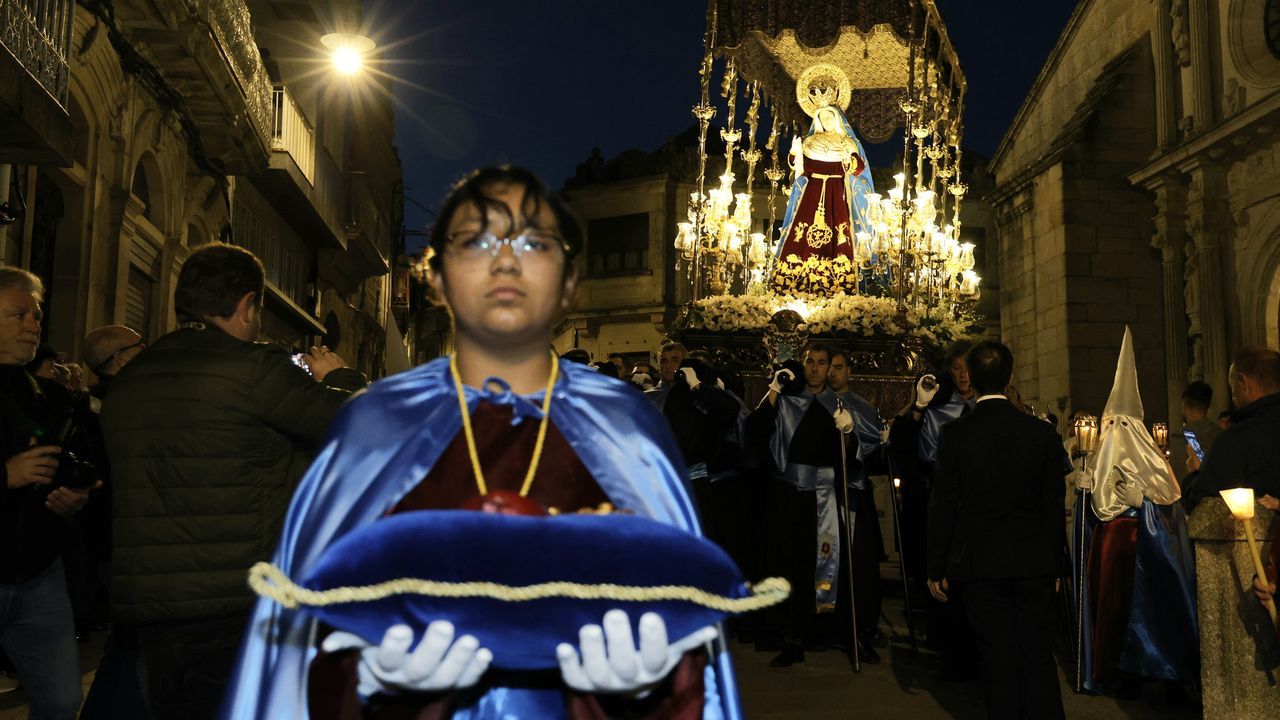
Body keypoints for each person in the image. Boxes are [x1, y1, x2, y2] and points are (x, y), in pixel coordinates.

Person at [222, 165, 742, 719]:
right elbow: (301, 644)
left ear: (568, 280)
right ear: (438, 277)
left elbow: (687, 644)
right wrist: (368, 676)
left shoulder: (626, 424)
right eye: (475, 241)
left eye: (535, 242)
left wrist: (648, 686)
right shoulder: (376, 422)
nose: (505, 258)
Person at [96, 243, 367, 720]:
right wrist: (340, 377)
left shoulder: (131, 379)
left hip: (152, 611)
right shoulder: (253, 369)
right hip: (234, 605)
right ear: (246, 305)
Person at [928, 341, 1068, 720]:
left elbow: (943, 504)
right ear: (1011, 377)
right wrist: (1057, 564)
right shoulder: (1040, 434)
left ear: (970, 377)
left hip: (981, 563)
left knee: (998, 660)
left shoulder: (956, 435)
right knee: (1038, 657)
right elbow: (1052, 506)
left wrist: (936, 566)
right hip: (1034, 561)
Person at [1072, 327, 1197, 695]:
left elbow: (1173, 507)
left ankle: (1155, 671)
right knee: (1112, 610)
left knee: (1147, 611)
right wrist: (1083, 492)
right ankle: (1114, 670)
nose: (1116, 432)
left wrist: (1146, 504)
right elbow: (1092, 512)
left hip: (1142, 548)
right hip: (1109, 546)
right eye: (1112, 424)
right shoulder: (1101, 451)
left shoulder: (1153, 459)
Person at [0, 268, 93, 720]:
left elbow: (65, 467)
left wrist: (74, 498)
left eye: (36, 315)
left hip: (39, 571)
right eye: (19, 315)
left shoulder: (47, 397)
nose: (34, 325)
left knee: (61, 700)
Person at [746, 343, 858, 667]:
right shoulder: (785, 402)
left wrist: (848, 433)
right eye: (810, 361)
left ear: (829, 369)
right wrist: (773, 389)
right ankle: (787, 634)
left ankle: (814, 631)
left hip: (820, 499)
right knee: (786, 564)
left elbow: (848, 461)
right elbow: (754, 430)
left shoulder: (837, 406)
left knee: (817, 565)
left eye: (822, 363)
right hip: (786, 496)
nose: (814, 368)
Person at [769, 72, 875, 296]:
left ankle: (839, 285)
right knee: (801, 235)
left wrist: (850, 160)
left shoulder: (847, 142)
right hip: (812, 193)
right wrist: (794, 153)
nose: (826, 121)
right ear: (817, 119)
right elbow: (800, 168)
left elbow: (858, 169)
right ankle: (795, 281)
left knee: (840, 236)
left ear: (836, 118)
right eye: (822, 118)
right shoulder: (809, 142)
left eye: (830, 117)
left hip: (838, 194)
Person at [826, 348, 887, 663]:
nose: (832, 373)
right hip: (824, 494)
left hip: (854, 493)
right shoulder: (817, 402)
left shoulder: (863, 407)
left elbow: (873, 448)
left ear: (849, 370)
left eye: (837, 367)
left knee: (859, 565)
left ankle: (862, 629)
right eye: (828, 366)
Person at [1195, 347, 1280, 501]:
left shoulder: (1234, 441)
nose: (1232, 393)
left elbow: (1201, 505)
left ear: (1243, 382)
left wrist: (1197, 472)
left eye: (1231, 384)